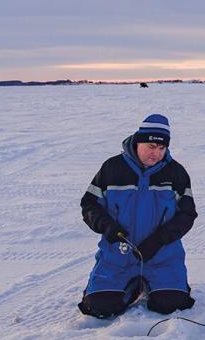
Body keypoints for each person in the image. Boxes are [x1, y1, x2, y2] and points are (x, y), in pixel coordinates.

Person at [78, 114, 198, 318]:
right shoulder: (112, 168)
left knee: (172, 304)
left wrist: (159, 239)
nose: (156, 154)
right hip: (118, 257)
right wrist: (108, 227)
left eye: (162, 149)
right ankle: (128, 285)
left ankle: (157, 283)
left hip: (163, 257)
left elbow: (187, 214)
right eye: (151, 147)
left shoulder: (176, 173)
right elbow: (89, 205)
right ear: (138, 141)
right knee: (99, 308)